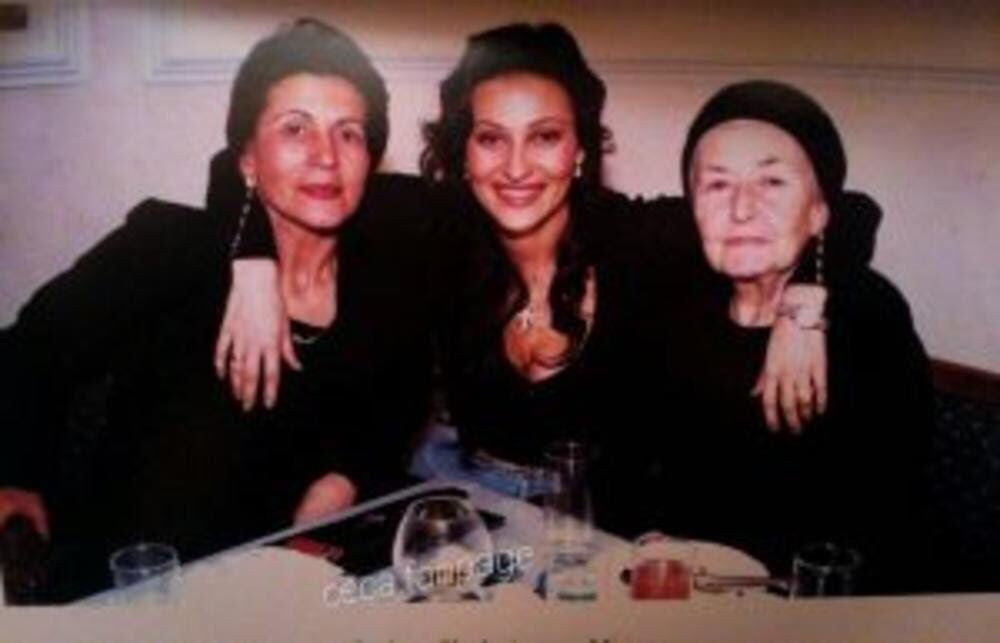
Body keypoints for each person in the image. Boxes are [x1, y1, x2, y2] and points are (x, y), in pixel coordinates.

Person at [216, 23, 878, 493]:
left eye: (545, 137)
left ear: (581, 150)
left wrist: (804, 300)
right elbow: (240, 166)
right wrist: (253, 266)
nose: (515, 168)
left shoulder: (638, 236)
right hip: (457, 500)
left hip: (596, 526)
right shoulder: (434, 224)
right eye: (490, 139)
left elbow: (845, 209)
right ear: (462, 153)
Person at [0, 18, 434, 601]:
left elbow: (402, 399)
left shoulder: (387, 273)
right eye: (295, 128)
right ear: (246, 158)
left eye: (349, 134)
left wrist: (346, 477)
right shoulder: (168, 248)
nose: (326, 156)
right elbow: (29, 348)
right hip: (137, 589)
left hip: (295, 595)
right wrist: (14, 474)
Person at [614, 80, 935, 594]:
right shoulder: (673, 306)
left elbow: (886, 520)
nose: (742, 209)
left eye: (773, 182)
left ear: (819, 211)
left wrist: (803, 301)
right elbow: (628, 459)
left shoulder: (866, 316)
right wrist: (645, 535)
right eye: (717, 185)